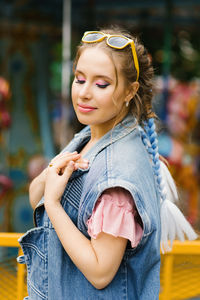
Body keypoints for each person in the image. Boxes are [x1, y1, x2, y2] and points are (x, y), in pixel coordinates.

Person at [18, 27, 197, 300]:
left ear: (130, 91)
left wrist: (54, 205)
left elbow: (101, 272)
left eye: (101, 84)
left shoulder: (116, 177)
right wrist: (50, 177)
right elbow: (37, 198)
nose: (84, 93)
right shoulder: (88, 135)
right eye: (79, 79)